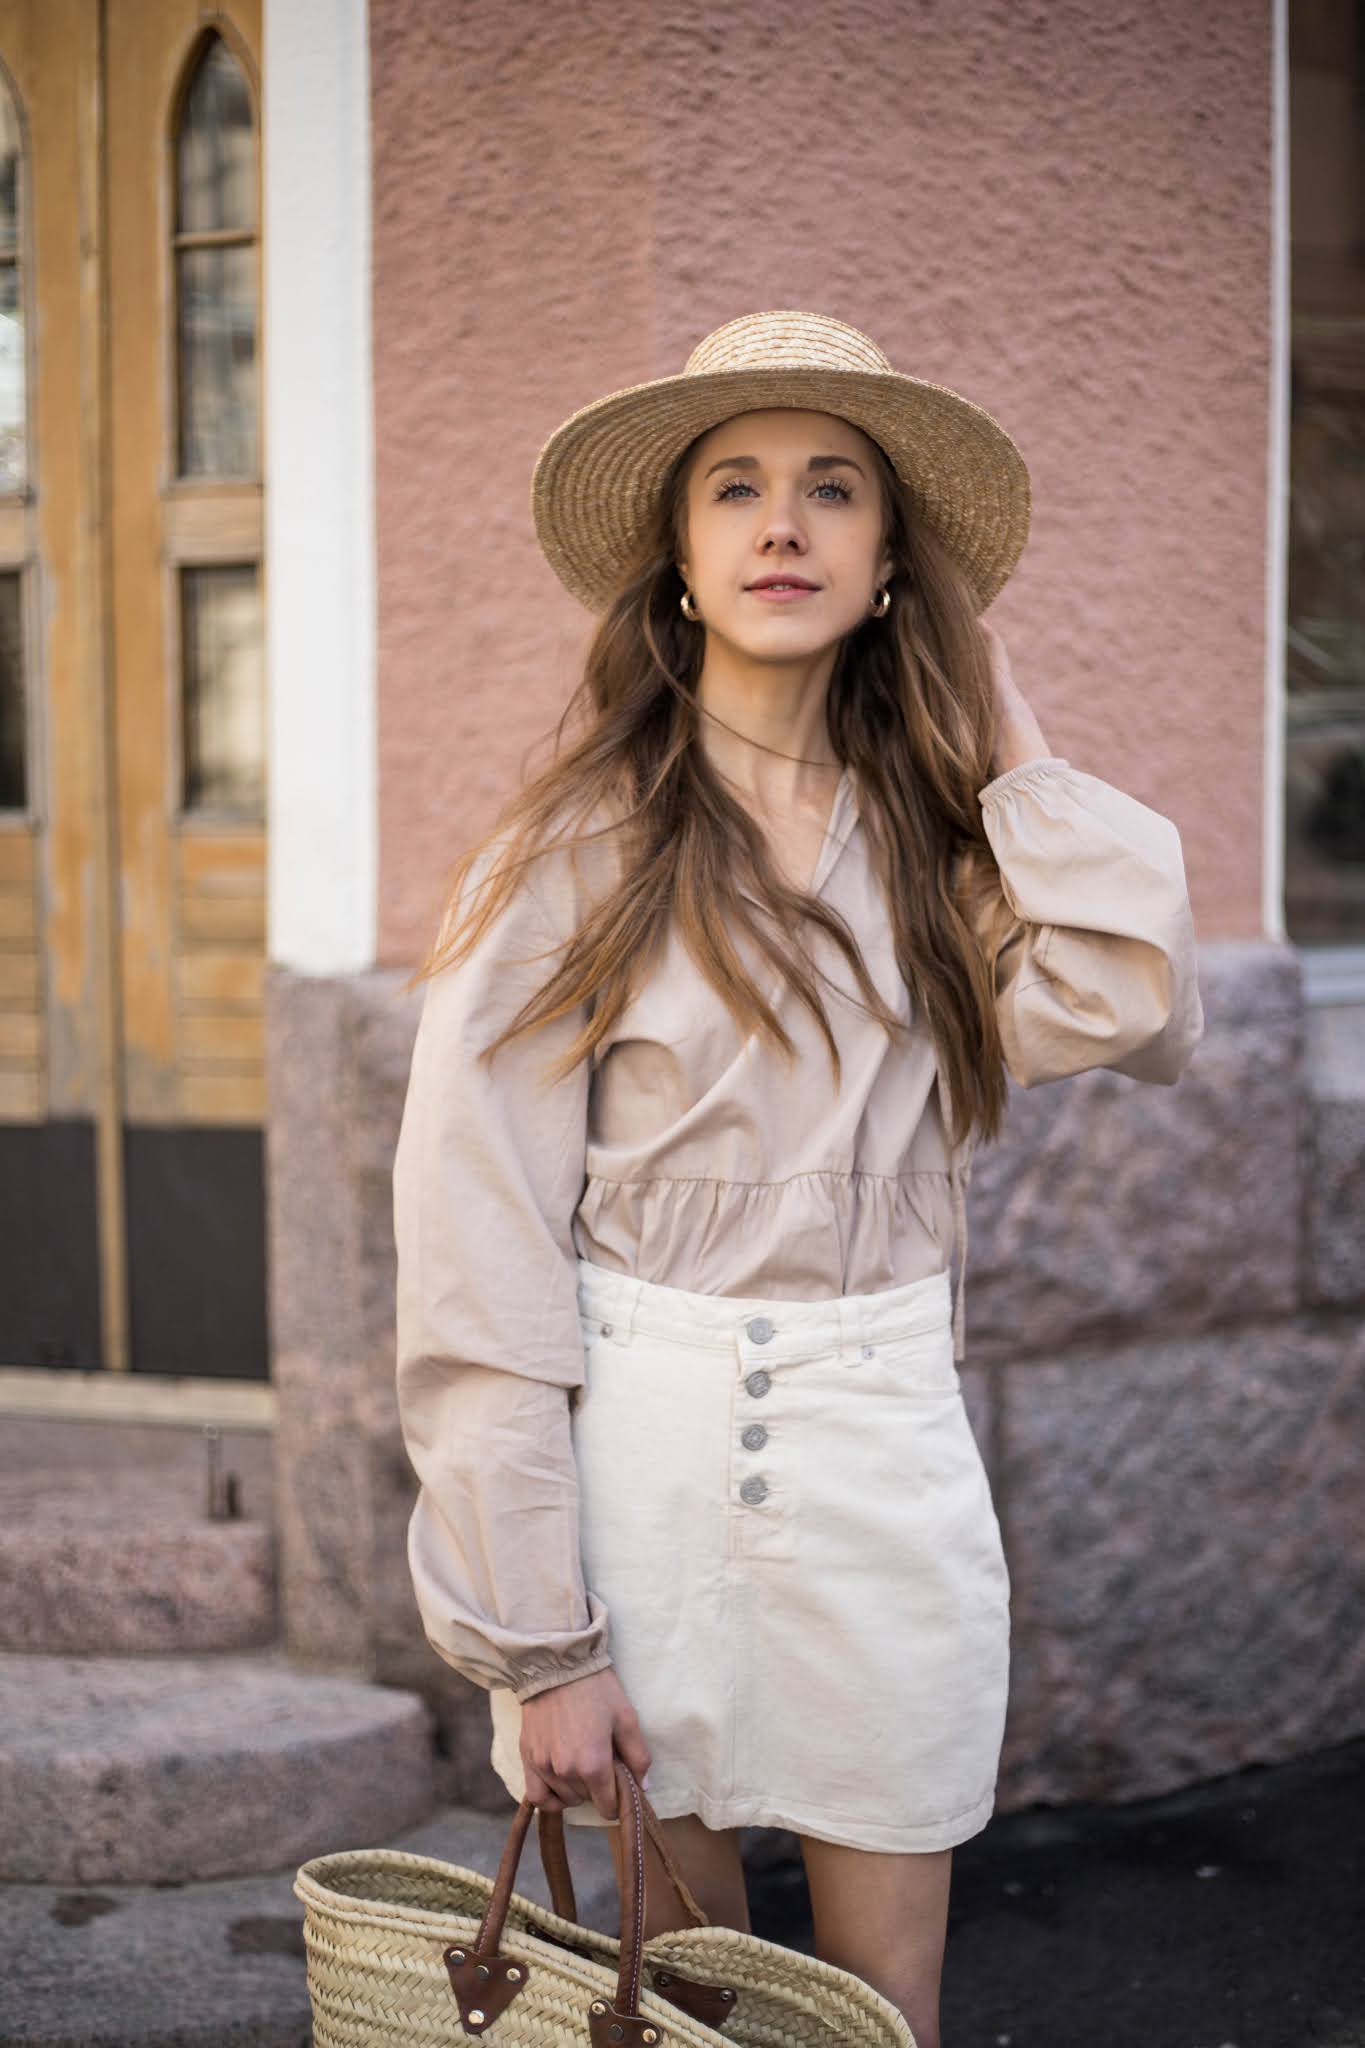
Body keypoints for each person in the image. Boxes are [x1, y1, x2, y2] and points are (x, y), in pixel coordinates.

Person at [391, 309, 1204, 2047]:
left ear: (891, 557)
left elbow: (1134, 993)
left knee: (877, 2009)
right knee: (675, 2000)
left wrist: (993, 722)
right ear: (675, 562)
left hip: (878, 1436)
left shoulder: (942, 851)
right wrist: (539, 1638)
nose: (782, 525)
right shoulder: (570, 851)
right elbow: (479, 1248)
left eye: (835, 491)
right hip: (645, 1458)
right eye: (736, 490)